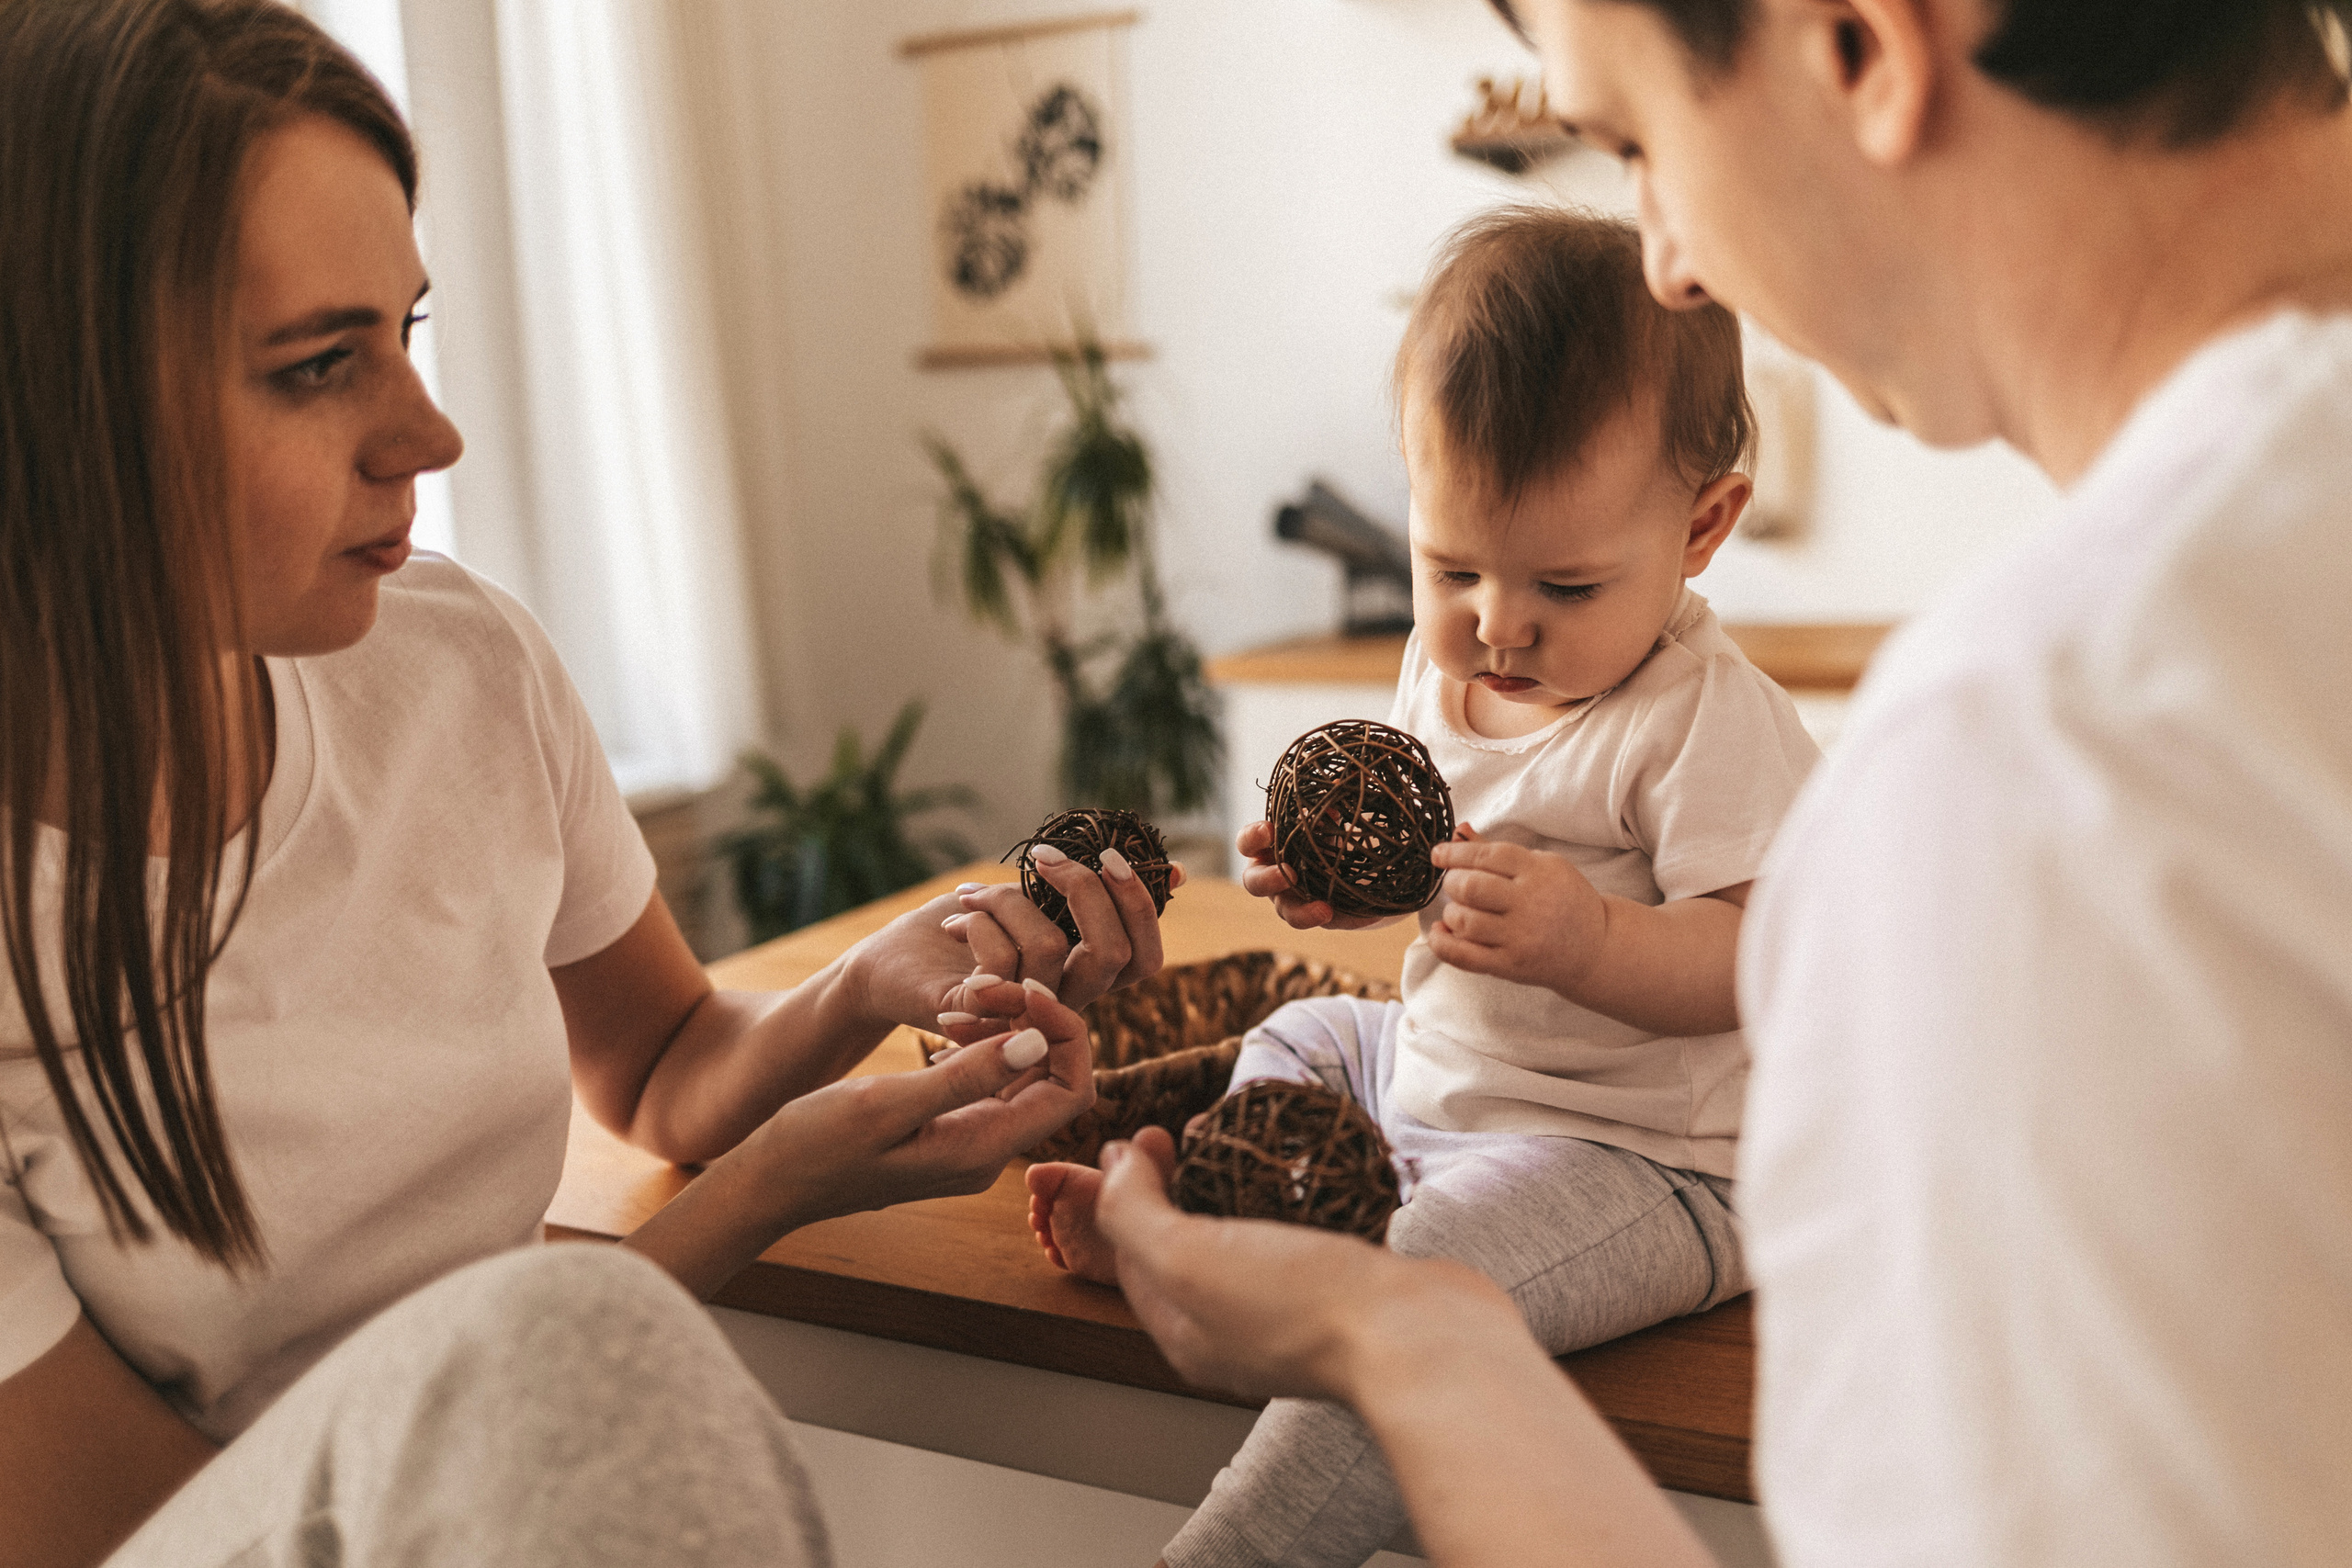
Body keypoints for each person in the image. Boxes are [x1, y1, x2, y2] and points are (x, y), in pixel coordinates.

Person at [1096, 1, 2352, 1565]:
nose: (1670, 257)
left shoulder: (2054, 746)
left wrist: (1401, 1342)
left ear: (1860, 42)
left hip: (1609, 1152)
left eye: (1637, 143)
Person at [0, 4, 1159, 1564]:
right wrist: (751, 1196)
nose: (429, 429)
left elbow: (664, 1063)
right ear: (56, 404)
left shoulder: (455, 665)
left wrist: (856, 990)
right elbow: (159, 1537)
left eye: (405, 333)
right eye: (317, 365)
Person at [1023, 207, 1816, 1568]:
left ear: (1703, 526)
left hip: (1637, 1161)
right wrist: (1336, 889)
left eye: (1564, 583)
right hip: (1437, 1079)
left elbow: (1771, 962)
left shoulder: (1706, 721)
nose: (1498, 622)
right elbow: (1433, 876)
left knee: (1415, 1291)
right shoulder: (1442, 667)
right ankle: (1204, 1222)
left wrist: (1595, 940)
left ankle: (1233, 1544)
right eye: (1452, 566)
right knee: (1311, 1032)